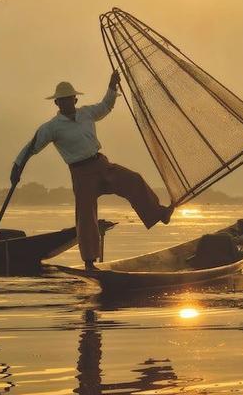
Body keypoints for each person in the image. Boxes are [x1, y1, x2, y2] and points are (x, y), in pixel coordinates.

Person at [11, 72, 172, 269]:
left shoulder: (86, 113)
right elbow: (32, 147)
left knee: (133, 180)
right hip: (81, 174)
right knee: (86, 216)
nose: (66, 103)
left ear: (75, 100)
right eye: (61, 101)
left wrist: (112, 86)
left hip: (101, 164)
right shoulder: (51, 127)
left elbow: (105, 106)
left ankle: (158, 213)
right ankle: (89, 262)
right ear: (57, 104)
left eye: (69, 99)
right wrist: (17, 166)